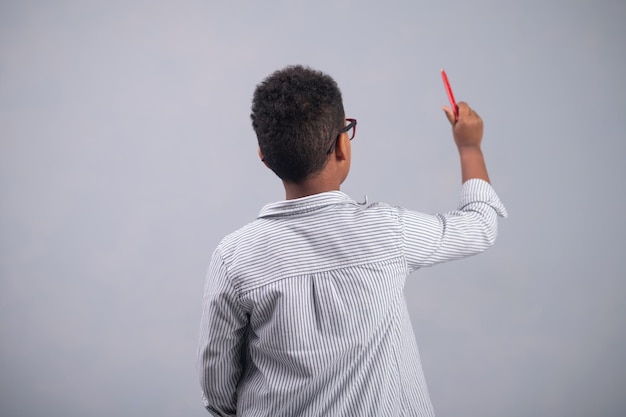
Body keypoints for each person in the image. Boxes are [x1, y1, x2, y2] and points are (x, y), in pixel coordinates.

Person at [197, 65, 507, 417]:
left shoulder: (234, 258)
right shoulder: (388, 231)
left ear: (264, 157)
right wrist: (469, 148)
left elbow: (218, 387)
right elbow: (481, 226)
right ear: (343, 146)